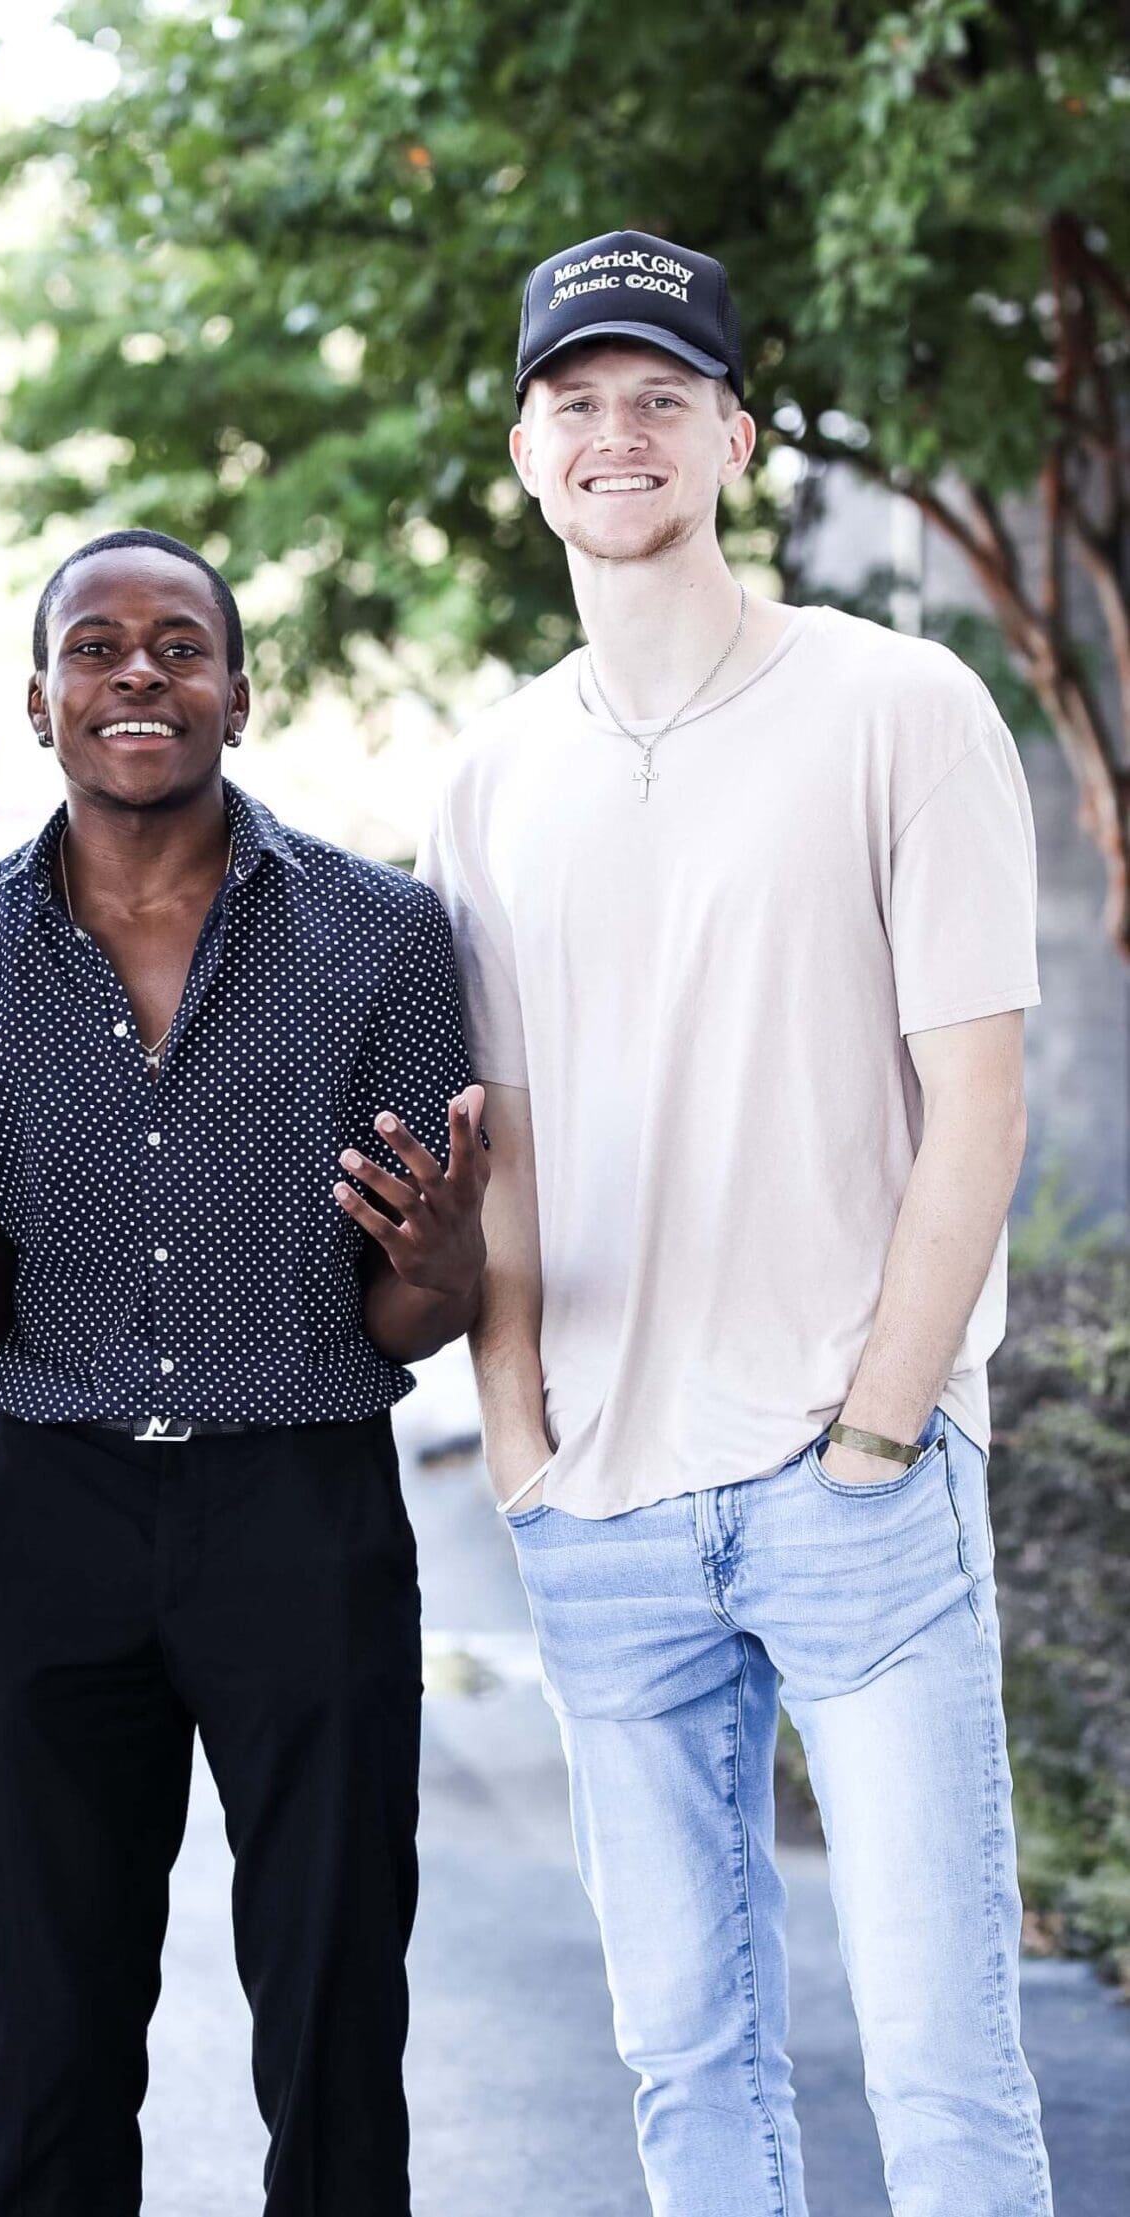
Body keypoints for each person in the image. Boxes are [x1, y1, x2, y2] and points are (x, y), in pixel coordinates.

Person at [421, 229, 1054, 2215]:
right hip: (602, 1509)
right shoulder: (491, 774)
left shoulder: (896, 705)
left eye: (661, 397)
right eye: (578, 401)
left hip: (850, 1488)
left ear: (733, 440)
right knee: (688, 2063)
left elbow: (978, 1098)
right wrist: (518, 1437)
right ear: (527, 451)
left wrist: (879, 1424)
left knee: (943, 2060)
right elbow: (501, 1138)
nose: (618, 433)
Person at [0, 527, 485, 2217]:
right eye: (93, 649)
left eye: (179, 645)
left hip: (303, 1511)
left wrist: (446, 1268)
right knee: (47, 2024)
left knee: (333, 2002)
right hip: (51, 1521)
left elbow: (402, 1309)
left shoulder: (384, 936)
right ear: (39, 704)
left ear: (239, 694)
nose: (138, 675)